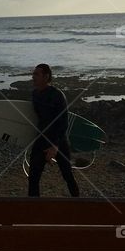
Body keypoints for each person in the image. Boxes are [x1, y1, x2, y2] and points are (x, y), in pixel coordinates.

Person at [28, 63, 79, 198]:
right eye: (33, 74)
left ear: (46, 76)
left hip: (58, 140)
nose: (33, 77)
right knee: (33, 176)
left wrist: (55, 146)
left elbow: (63, 122)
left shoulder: (57, 95)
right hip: (41, 139)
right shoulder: (34, 94)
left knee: (67, 174)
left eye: (37, 74)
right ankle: (33, 209)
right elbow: (36, 118)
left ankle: (79, 203)